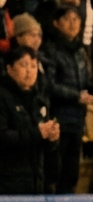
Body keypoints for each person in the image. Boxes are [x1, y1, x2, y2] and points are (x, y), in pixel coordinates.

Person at [39, 6, 93, 193]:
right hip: (59, 117)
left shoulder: (80, 51)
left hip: (78, 118)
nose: (73, 23)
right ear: (56, 23)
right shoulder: (51, 49)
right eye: (68, 19)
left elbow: (86, 81)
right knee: (55, 171)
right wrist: (76, 96)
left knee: (72, 173)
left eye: (77, 19)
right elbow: (49, 85)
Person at [0, 47, 59, 193]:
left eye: (33, 66)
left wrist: (52, 138)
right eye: (23, 65)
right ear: (9, 68)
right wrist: (37, 134)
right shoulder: (2, 97)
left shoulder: (40, 100)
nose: (29, 71)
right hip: (8, 184)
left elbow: (44, 144)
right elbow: (2, 136)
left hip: (36, 183)